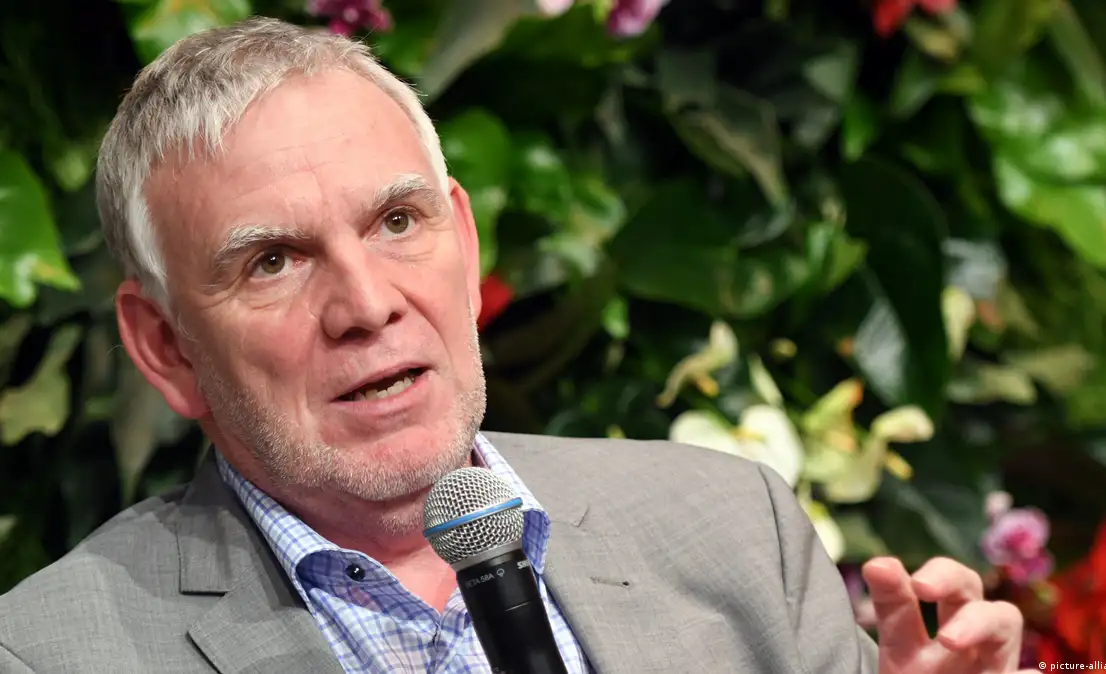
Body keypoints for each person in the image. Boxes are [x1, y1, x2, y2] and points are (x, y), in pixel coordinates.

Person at [0, 17, 1033, 674]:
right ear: (166, 347)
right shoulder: (48, 654)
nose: (367, 304)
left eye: (396, 222)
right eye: (272, 261)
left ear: (464, 242)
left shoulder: (731, 529)